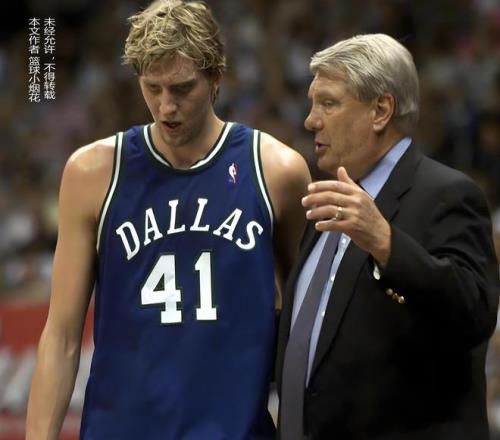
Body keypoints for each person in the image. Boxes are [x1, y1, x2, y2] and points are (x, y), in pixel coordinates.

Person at [25, 1, 311, 438]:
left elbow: (304, 326)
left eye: (182, 88)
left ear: (216, 78)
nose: (165, 106)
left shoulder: (277, 171)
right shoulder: (92, 173)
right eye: (152, 87)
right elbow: (62, 336)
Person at [275, 33, 500, 440]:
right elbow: (317, 343)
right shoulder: (328, 203)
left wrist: (385, 242)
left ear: (380, 110)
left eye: (328, 103)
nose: (311, 120)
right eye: (312, 103)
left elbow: (474, 314)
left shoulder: (447, 193)